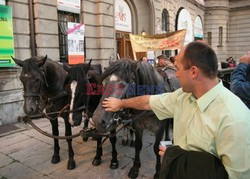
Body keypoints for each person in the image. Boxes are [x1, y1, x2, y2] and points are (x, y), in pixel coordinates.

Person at [102, 41, 250, 178]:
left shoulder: (235, 119)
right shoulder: (182, 96)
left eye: (177, 68)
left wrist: (178, 159)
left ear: (193, 72)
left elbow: (235, 176)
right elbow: (148, 102)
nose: (176, 74)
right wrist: (121, 103)